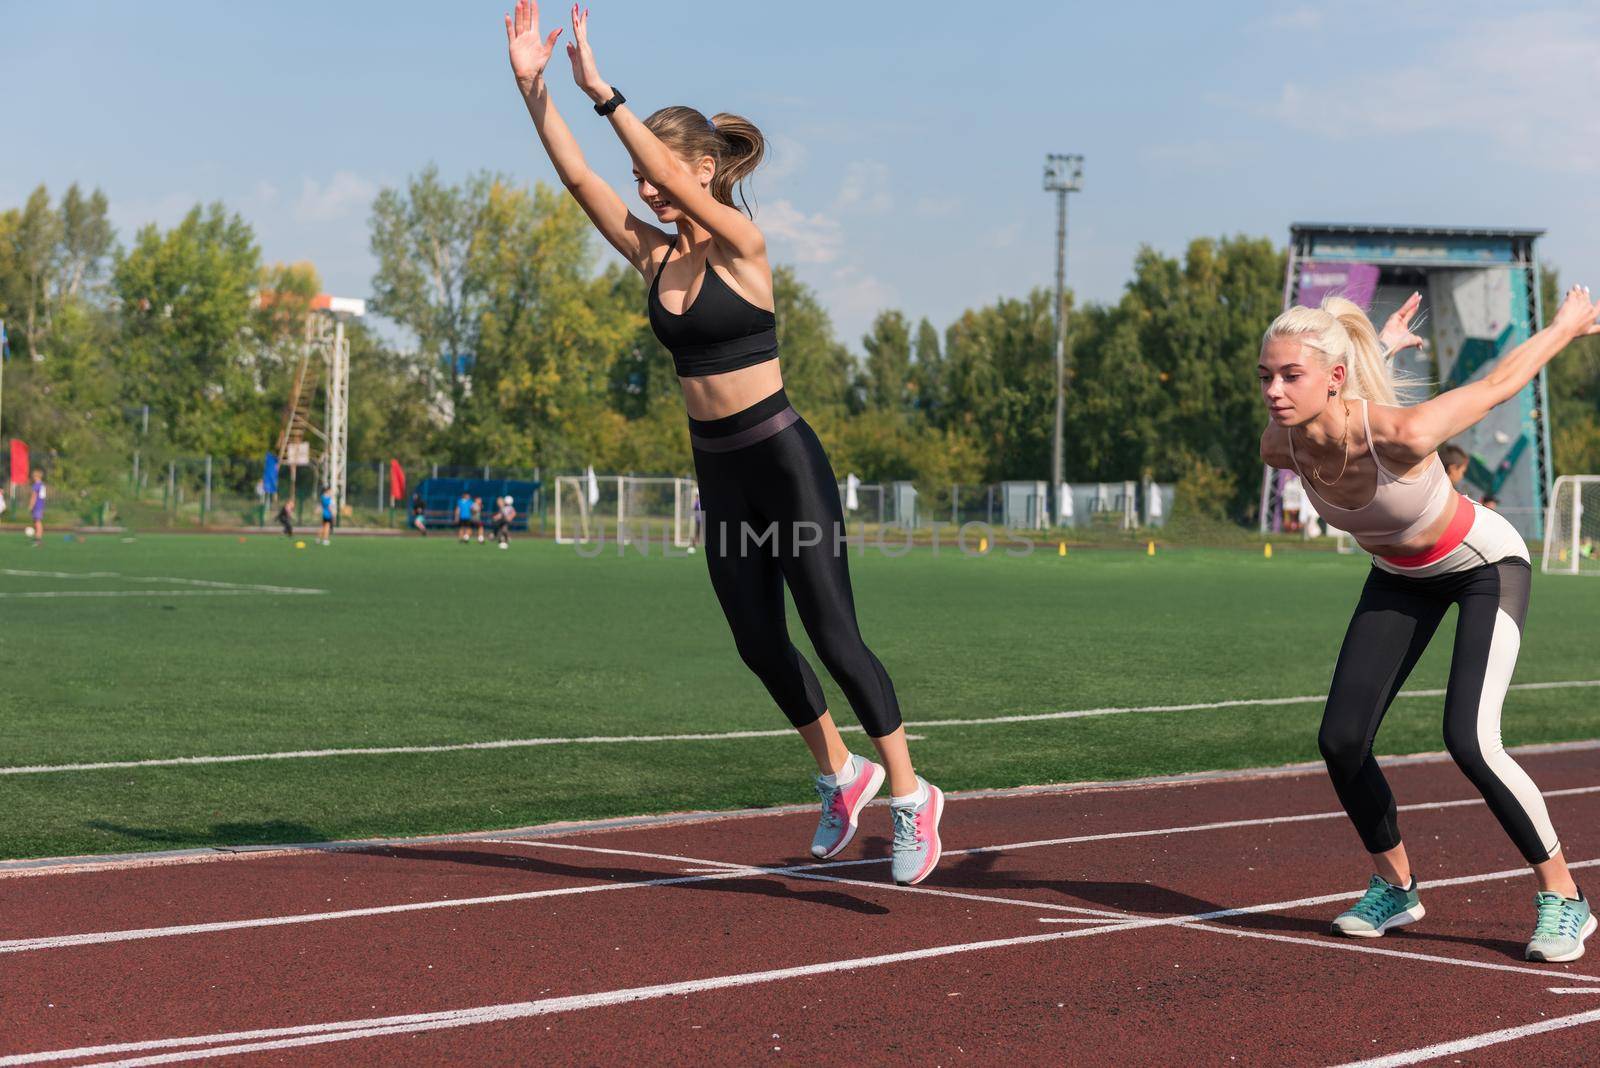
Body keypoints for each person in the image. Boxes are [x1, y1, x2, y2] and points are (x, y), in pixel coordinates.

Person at [504, 1, 942, 883]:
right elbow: (580, 181)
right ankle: (838, 773)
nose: (645, 190)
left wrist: (603, 92)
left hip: (786, 463)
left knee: (836, 638)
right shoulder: (655, 258)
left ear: (703, 168)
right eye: (643, 179)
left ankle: (909, 796)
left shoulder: (746, 246)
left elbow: (641, 160)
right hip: (720, 473)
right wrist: (534, 90)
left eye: (658, 174)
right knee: (756, 641)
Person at [1258, 284, 1600, 961]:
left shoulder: (1402, 432)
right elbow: (1335, 375)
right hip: (1400, 575)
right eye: (1265, 375)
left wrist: (1564, 326)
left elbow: (1500, 383)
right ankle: (1396, 885)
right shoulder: (1282, 445)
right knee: (1342, 739)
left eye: (1290, 375)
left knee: (1470, 739)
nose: (1274, 389)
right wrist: (1377, 345)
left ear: (1330, 378)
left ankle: (1564, 897)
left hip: (1484, 567)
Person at [27, 469, 46, 545]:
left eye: (33, 476)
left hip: (37, 506)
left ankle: (38, 540)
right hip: (41, 506)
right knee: (37, 522)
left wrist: (31, 506)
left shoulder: (36, 485)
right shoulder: (42, 485)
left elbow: (34, 496)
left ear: (36, 476)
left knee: (37, 522)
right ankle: (37, 538)